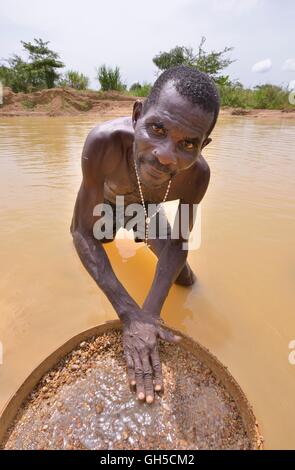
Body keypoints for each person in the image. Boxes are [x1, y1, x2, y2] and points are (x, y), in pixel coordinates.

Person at [70, 65, 220, 404]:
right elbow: (81, 231)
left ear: (202, 145)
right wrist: (129, 313)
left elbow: (180, 240)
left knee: (185, 281)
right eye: (157, 128)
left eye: (187, 144)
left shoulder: (197, 176)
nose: (166, 154)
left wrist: (150, 313)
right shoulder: (104, 143)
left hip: (149, 215)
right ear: (138, 114)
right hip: (107, 208)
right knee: (100, 248)